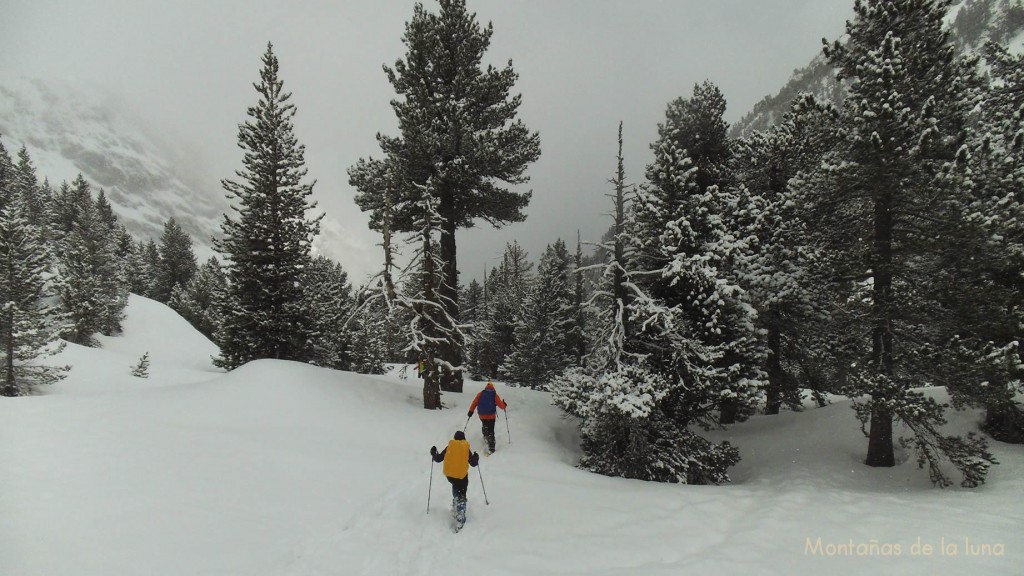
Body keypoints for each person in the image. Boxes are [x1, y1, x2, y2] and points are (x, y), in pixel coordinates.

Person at [430, 431, 479, 528]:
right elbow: (473, 463)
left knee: (455, 485)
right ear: (463, 439)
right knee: (462, 489)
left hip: (450, 476)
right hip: (462, 476)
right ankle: (460, 510)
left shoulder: (450, 447)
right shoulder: (466, 448)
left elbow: (438, 458)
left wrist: (433, 453)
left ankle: (456, 500)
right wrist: (476, 458)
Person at [468, 381, 507, 454]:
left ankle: (486, 436)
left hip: (482, 415)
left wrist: (470, 411)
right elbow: (501, 405)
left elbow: (474, 403)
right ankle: (491, 447)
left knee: (485, 425)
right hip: (491, 416)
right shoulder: (494, 394)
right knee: (491, 430)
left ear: (486, 387)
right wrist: (504, 405)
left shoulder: (480, 394)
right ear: (493, 387)